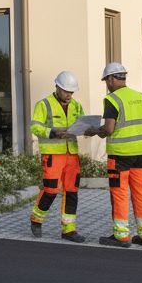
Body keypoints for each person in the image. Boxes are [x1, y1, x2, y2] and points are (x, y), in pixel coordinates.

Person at [94, 62, 142, 248]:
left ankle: (121, 235)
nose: (107, 84)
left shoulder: (112, 100)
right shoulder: (141, 97)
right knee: (140, 192)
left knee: (119, 193)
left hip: (120, 154)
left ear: (112, 79)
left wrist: (95, 131)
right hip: (141, 153)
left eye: (106, 80)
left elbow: (108, 128)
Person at [27, 70, 88, 243]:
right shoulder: (44, 104)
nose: (69, 95)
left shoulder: (76, 106)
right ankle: (36, 219)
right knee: (51, 190)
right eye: (66, 91)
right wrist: (53, 133)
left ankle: (69, 230)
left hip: (71, 154)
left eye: (71, 92)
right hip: (53, 155)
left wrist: (88, 130)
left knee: (72, 191)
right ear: (57, 87)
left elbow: (82, 123)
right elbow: (35, 127)